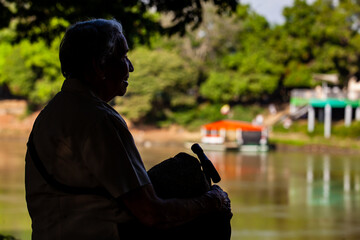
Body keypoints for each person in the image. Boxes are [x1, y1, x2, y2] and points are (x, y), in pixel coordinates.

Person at [25, 19, 231, 240]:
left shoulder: (52, 113)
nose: (130, 66)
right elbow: (152, 214)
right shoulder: (99, 119)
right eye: (123, 57)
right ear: (99, 67)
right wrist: (212, 200)